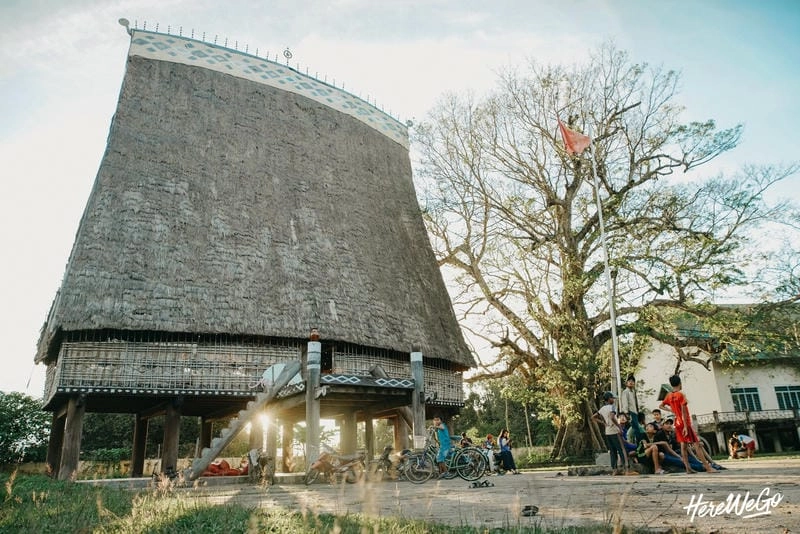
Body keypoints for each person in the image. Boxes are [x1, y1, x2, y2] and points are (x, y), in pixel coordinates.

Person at [659, 375, 717, 473]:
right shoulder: (681, 395)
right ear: (680, 383)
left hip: (677, 423)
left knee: (683, 445)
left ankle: (688, 468)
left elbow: (661, 406)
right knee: (697, 444)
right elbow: (684, 411)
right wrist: (686, 426)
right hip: (684, 422)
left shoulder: (669, 396)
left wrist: (672, 411)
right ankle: (708, 467)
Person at [592, 391, 631, 475]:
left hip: (607, 431)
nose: (613, 400)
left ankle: (614, 469)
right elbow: (612, 417)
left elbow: (593, 417)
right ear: (609, 399)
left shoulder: (602, 409)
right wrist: (619, 427)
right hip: (614, 430)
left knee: (612, 451)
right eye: (612, 398)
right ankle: (626, 469)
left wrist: (603, 423)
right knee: (621, 449)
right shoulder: (612, 407)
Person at [620, 374, 645, 442]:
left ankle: (636, 442)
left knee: (635, 429)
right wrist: (627, 413)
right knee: (636, 429)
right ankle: (639, 443)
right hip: (630, 412)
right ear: (626, 383)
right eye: (629, 381)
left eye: (632, 381)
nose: (631, 382)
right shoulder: (625, 392)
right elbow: (625, 403)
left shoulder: (633, 391)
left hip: (635, 412)